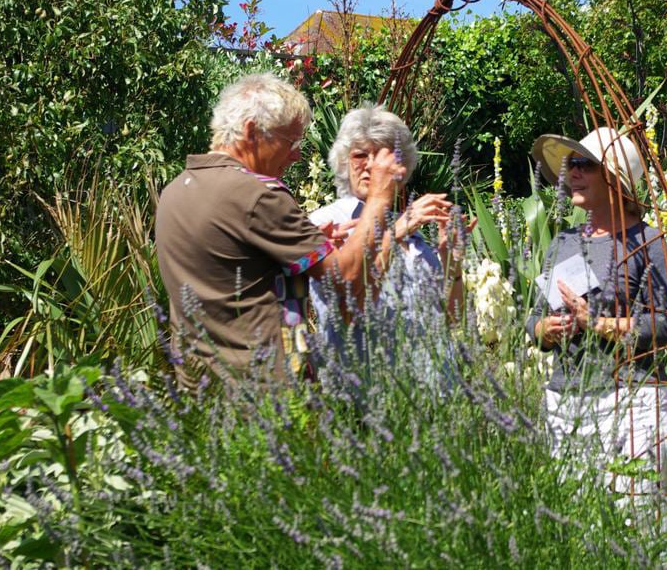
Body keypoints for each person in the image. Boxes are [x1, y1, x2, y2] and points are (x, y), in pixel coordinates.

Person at [155, 73, 404, 387]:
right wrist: (380, 197)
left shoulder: (175, 191)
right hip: (264, 400)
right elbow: (346, 279)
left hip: (202, 389)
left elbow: (234, 265)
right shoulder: (259, 194)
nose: (296, 154)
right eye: (291, 141)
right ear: (251, 131)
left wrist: (307, 246)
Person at [527, 127, 667, 493]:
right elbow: (533, 315)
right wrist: (545, 330)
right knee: (579, 528)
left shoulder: (646, 243)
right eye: (570, 165)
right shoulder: (564, 242)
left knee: (636, 521)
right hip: (566, 402)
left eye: (584, 164)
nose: (573, 173)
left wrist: (597, 323)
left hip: (633, 403)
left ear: (616, 178)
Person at [307, 104, 463, 371]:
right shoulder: (325, 225)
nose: (370, 165)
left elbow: (452, 318)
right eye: (360, 155)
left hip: (437, 395)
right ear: (344, 163)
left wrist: (452, 264)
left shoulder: (413, 229)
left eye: (382, 157)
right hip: (372, 395)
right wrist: (394, 234)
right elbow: (345, 313)